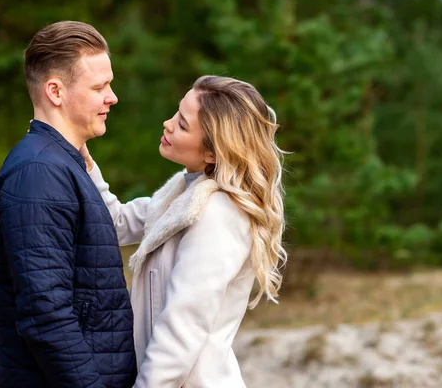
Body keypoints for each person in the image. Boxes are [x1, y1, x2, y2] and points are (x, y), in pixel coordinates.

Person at [81, 75, 288, 387]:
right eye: (176, 113)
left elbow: (183, 327)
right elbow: (116, 223)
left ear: (212, 153)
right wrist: (81, 159)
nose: (167, 123)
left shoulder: (219, 215)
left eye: (181, 124)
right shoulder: (182, 193)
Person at [0, 21, 136, 388]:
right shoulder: (39, 174)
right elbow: (46, 316)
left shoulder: (61, 164)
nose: (112, 97)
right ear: (55, 90)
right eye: (99, 87)